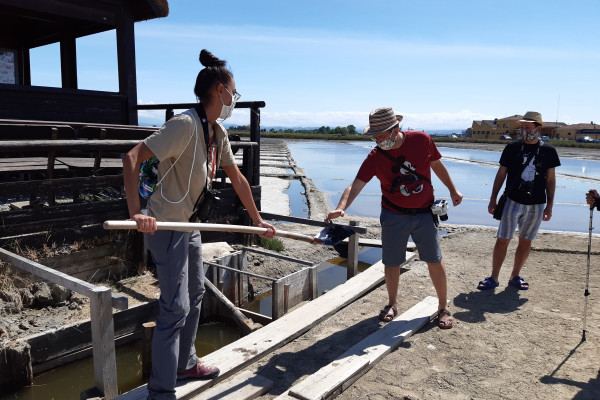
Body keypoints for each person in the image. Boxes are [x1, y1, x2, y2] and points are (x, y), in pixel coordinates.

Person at [122, 49, 276, 400]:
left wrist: (257, 219)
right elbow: (132, 157)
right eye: (233, 92)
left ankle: (186, 363)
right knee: (174, 306)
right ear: (220, 91)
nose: (234, 98)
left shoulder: (216, 132)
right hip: (165, 226)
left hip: (189, 226)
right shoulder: (184, 125)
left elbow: (237, 178)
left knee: (196, 295)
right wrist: (136, 213)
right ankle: (161, 391)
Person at [325, 107, 463, 329]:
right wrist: (341, 208)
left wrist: (453, 190)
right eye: (374, 137)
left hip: (424, 213)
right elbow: (356, 184)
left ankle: (442, 307)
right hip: (393, 214)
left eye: (381, 136)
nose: (378, 141)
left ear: (395, 129)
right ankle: (392, 303)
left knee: (434, 259)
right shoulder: (375, 156)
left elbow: (436, 164)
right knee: (391, 262)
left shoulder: (421, 140)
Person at [479, 111, 560, 291]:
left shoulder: (549, 151)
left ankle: (515, 275)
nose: (524, 130)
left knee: (526, 240)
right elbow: (501, 174)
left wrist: (550, 206)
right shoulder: (512, 147)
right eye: (522, 127)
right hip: (512, 201)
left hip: (536, 204)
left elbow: (551, 180)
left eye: (528, 127)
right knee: (503, 239)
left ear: (538, 128)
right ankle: (494, 277)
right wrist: (493, 199)